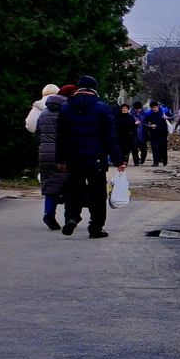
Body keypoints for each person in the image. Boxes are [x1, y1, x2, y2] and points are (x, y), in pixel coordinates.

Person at [58, 75, 127, 238]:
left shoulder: (66, 108)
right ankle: (95, 228)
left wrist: (60, 159)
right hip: (96, 160)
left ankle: (71, 217)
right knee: (97, 194)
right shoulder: (102, 108)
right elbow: (110, 138)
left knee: (74, 190)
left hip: (74, 159)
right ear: (94, 88)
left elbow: (61, 137)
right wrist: (118, 161)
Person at [35, 83, 71, 231]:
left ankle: (48, 213)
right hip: (62, 154)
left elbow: (37, 133)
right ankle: (69, 218)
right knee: (68, 186)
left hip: (45, 154)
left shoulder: (44, 113)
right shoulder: (67, 112)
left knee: (50, 186)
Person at [25, 84, 63, 226]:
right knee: (66, 182)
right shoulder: (65, 109)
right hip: (61, 150)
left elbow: (31, 126)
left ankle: (49, 212)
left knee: (49, 183)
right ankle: (70, 216)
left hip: (45, 149)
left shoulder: (39, 108)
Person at [143, 102, 171, 166]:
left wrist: (167, 117)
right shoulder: (150, 115)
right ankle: (155, 162)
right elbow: (144, 124)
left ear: (157, 106)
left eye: (154, 107)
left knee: (163, 148)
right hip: (154, 134)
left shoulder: (164, 113)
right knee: (155, 148)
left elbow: (172, 116)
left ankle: (164, 161)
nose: (153, 109)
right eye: (152, 108)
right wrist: (150, 126)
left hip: (163, 134)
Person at [125, 100, 148, 166]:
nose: (137, 110)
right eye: (136, 109)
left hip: (143, 133)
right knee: (134, 149)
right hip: (134, 133)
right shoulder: (131, 115)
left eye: (139, 109)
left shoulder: (145, 114)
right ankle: (136, 161)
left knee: (144, 149)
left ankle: (142, 159)